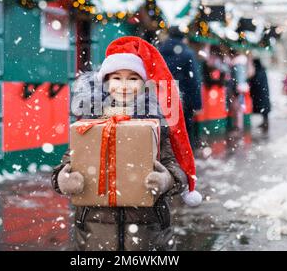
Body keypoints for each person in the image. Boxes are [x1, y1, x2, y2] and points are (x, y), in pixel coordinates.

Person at [51, 36, 202, 251]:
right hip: (95, 232)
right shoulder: (90, 122)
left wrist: (166, 180)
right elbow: (67, 163)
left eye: (133, 78)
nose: (124, 86)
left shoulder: (156, 124)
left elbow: (176, 169)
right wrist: (63, 179)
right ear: (105, 82)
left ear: (144, 84)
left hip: (148, 230)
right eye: (116, 78)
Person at [158, 26, 202, 149]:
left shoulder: (159, 50)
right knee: (185, 128)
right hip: (184, 97)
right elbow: (194, 80)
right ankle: (185, 154)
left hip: (164, 95)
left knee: (167, 128)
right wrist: (197, 104)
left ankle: (168, 154)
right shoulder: (187, 53)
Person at [249, 58, 271, 131]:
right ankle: (265, 123)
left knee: (263, 108)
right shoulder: (262, 70)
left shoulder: (259, 71)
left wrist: (251, 79)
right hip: (263, 93)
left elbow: (256, 81)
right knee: (264, 109)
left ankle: (265, 123)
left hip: (261, 94)